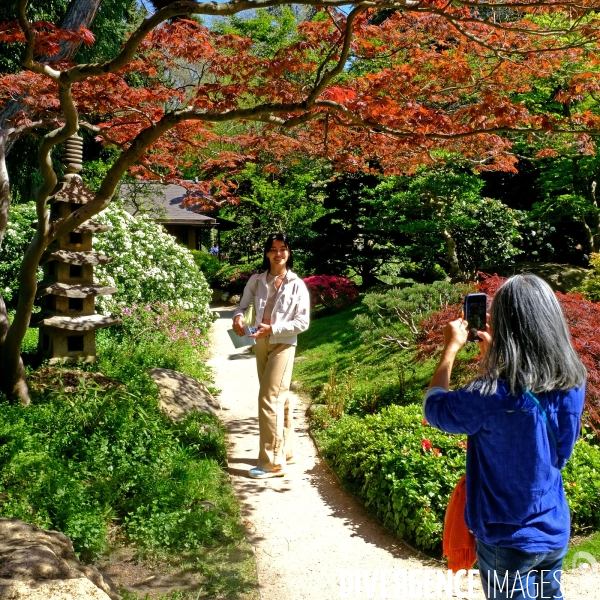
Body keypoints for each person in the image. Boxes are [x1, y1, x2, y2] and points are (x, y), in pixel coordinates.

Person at [424, 274, 586, 600]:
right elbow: (557, 450)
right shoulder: (573, 381)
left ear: (505, 326)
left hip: (506, 540)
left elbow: (435, 408)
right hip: (552, 528)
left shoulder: (492, 393)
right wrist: (494, 361)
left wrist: (450, 350)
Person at [232, 233, 310, 479]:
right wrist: (237, 317)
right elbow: (242, 305)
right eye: (273, 249)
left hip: (283, 345)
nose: (278, 254)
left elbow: (303, 322)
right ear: (266, 253)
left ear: (289, 253)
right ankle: (286, 451)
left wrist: (274, 329)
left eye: (283, 248)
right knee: (280, 399)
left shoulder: (297, 284)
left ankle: (271, 463)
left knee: (268, 398)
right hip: (260, 343)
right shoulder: (256, 281)